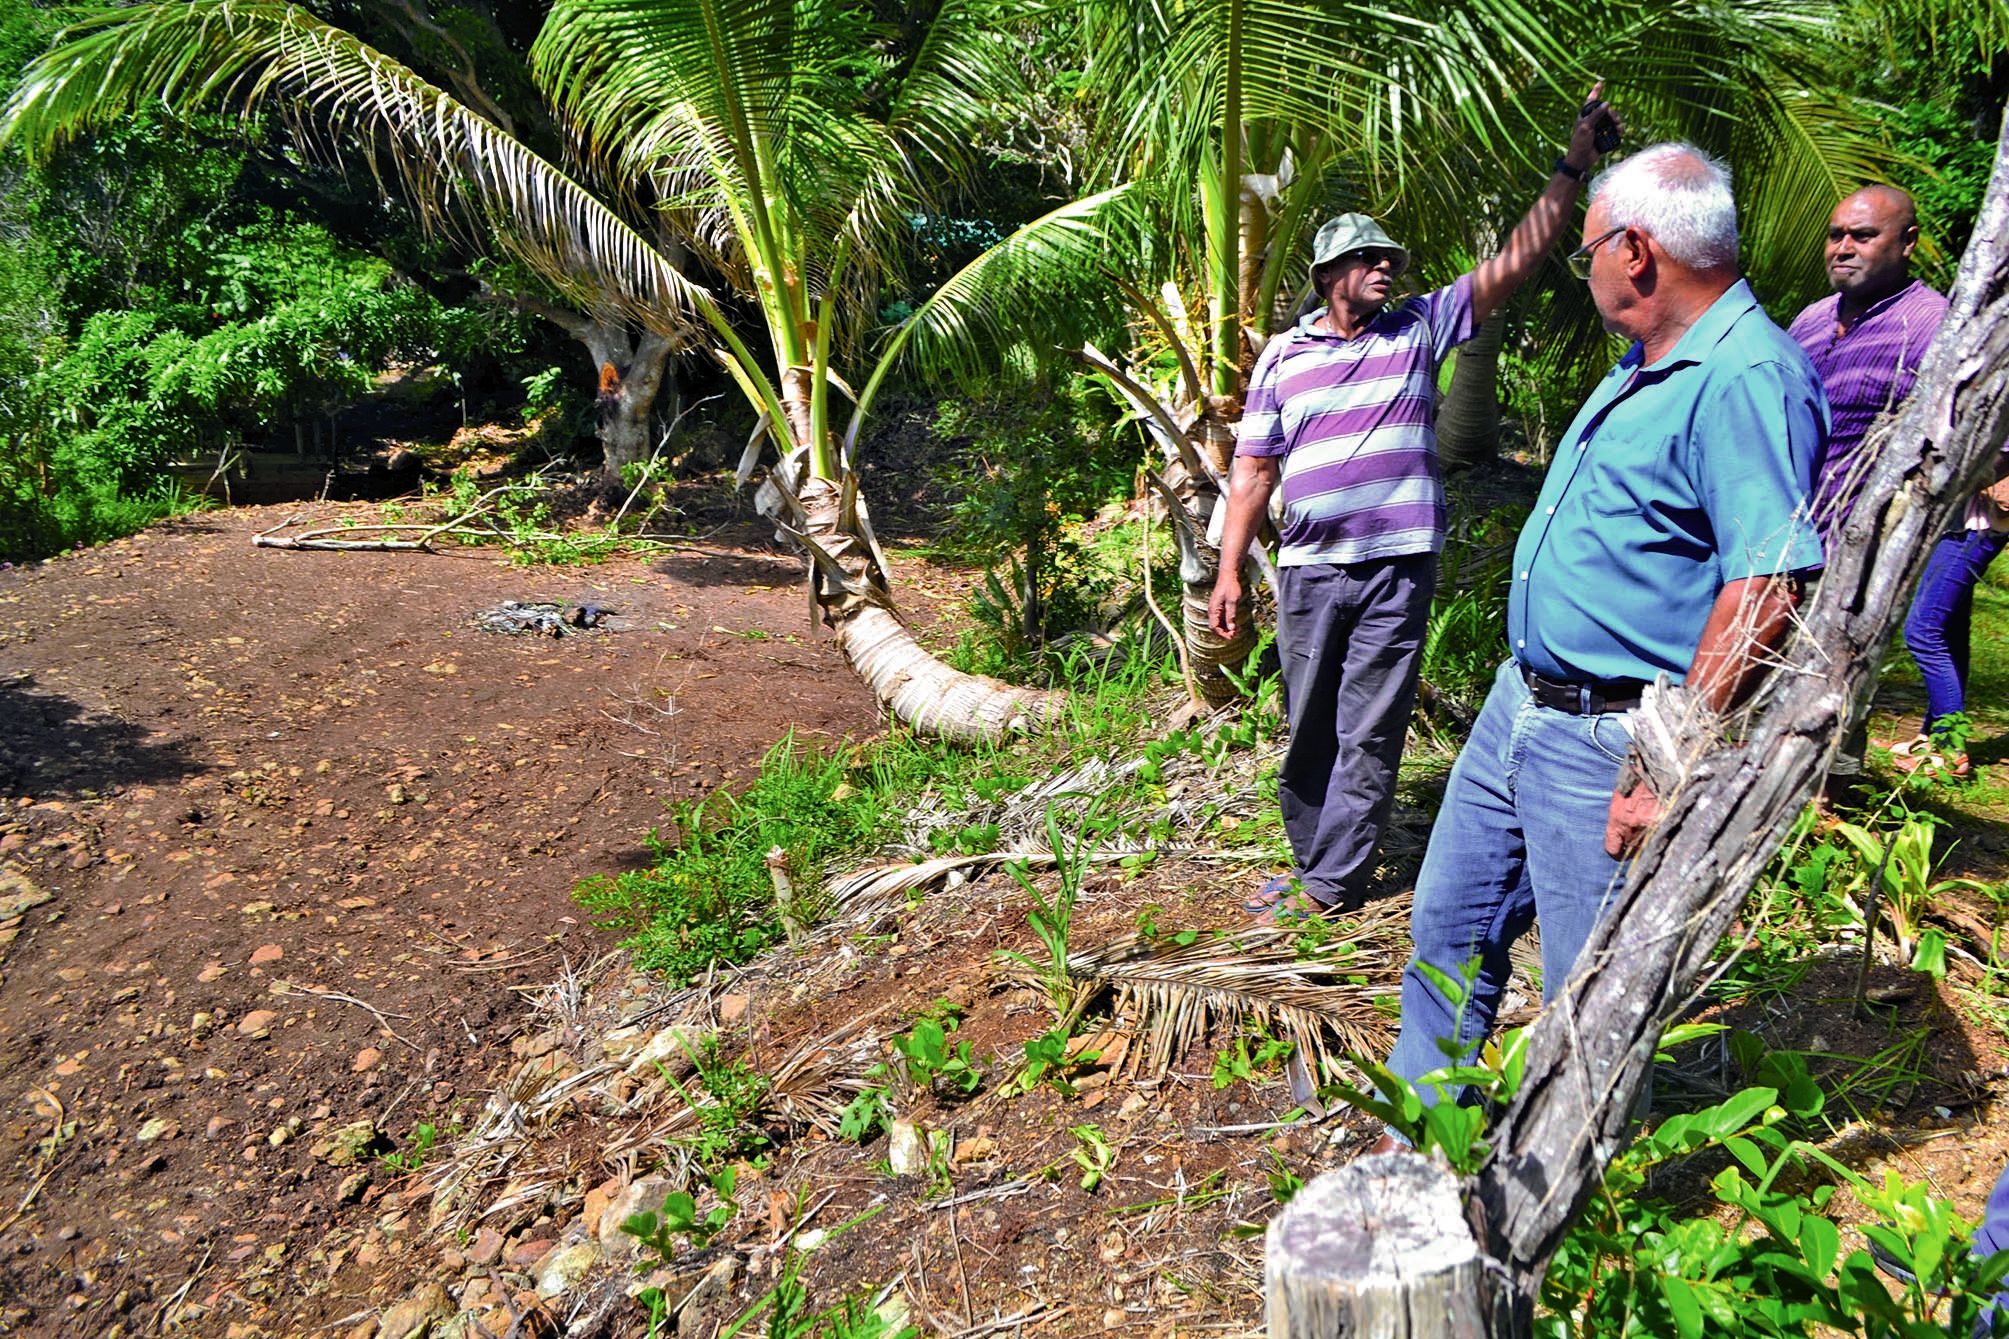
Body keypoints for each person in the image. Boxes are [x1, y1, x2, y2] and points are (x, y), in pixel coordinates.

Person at [1374, 144, 1827, 1129]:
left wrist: (1661, 765)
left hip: (1610, 739)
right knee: (1449, 929)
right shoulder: (1648, 358)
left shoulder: (1745, 375)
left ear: (1633, 251)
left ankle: (1573, 1223)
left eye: (1584, 252)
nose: (1580, 273)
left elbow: (1768, 579)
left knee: (1592, 996)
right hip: (1519, 707)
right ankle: (1426, 1141)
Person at [1207, 88, 1623, 922]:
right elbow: (1252, 471)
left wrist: (1571, 164)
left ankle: (1330, 883)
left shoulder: (1421, 327)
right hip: (1310, 569)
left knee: (1369, 725)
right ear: (1328, 276)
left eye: (1389, 257)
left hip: (1395, 566)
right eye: (1366, 258)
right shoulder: (1283, 358)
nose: (1384, 267)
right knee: (1307, 724)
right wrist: (1227, 573)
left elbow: (1516, 256)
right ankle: (1314, 856)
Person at [1787, 186, 1950, 801]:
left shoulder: (1933, 328)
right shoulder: (1808, 319)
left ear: (1907, 243)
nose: (1844, 247)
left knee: (1830, 701)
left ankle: (1819, 824)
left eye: (1863, 235)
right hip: (1776, 541)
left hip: (1854, 557)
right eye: (1836, 235)